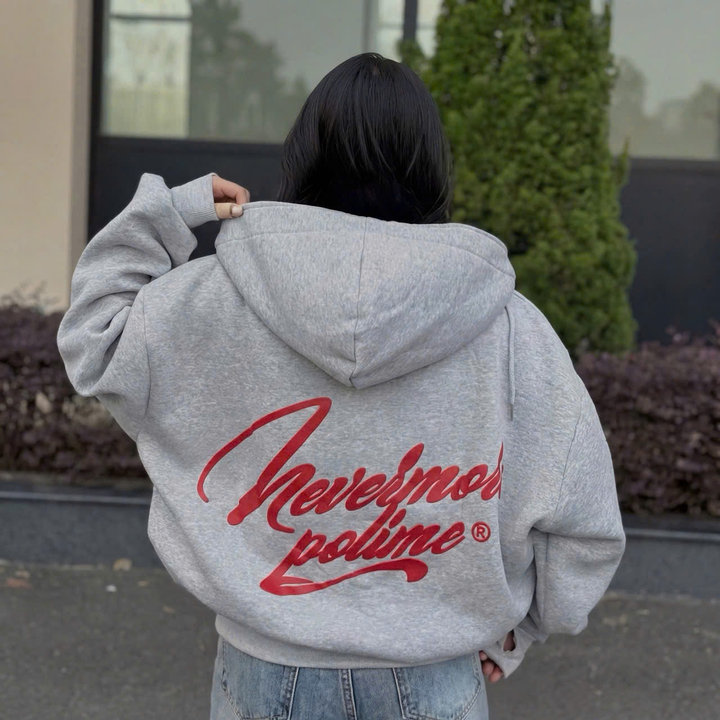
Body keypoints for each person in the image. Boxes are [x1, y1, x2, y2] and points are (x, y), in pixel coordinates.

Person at [56, 52, 626, 720]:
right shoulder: (511, 330)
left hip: (263, 674)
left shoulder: (206, 301)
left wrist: (171, 212)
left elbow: (92, 339)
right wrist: (523, 627)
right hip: (434, 677)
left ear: (303, 156)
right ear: (431, 166)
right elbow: (584, 523)